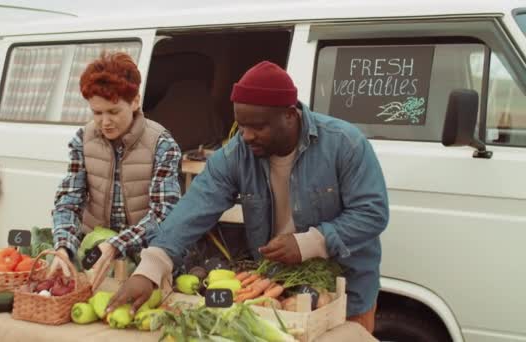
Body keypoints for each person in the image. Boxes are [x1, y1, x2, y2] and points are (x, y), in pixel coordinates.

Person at [106, 61, 389, 333]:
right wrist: (150, 268)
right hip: (278, 290)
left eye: (258, 126)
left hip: (343, 293)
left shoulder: (345, 144)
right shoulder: (236, 154)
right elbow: (193, 209)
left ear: (290, 115)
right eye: (241, 126)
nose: (247, 136)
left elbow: (372, 213)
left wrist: (309, 243)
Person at [50, 52, 182, 290]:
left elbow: (164, 214)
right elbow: (69, 200)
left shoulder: (162, 144)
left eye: (113, 112)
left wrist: (115, 244)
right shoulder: (83, 139)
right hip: (95, 253)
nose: (105, 122)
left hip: (145, 258)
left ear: (134, 102)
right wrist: (63, 246)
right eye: (97, 113)